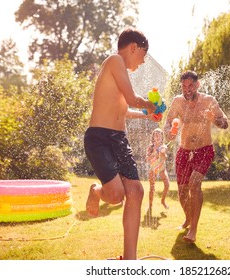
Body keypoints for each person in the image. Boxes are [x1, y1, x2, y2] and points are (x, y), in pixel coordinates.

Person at [84, 28, 156, 260]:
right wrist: (149, 105)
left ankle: (129, 259)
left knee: (135, 191)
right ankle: (96, 191)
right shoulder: (115, 61)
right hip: (100, 138)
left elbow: (124, 110)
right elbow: (134, 98)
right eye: (143, 55)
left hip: (118, 139)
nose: (143, 62)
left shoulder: (120, 74)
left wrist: (147, 114)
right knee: (115, 196)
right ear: (133, 47)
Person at [164, 70, 228, 243]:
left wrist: (213, 118)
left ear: (197, 85)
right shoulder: (177, 102)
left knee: (194, 183)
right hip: (184, 150)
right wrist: (169, 132)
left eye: (191, 85)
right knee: (182, 191)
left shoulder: (209, 101)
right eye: (184, 86)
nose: (187, 89)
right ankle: (188, 218)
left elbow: (225, 123)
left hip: (204, 149)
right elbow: (168, 122)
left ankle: (193, 230)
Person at [146, 128, 170, 211]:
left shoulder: (163, 146)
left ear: (162, 136)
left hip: (162, 168)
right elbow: (147, 159)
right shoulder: (151, 147)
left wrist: (162, 153)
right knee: (152, 188)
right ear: (153, 137)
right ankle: (150, 205)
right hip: (153, 168)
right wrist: (154, 154)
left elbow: (164, 158)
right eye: (155, 134)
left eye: (159, 134)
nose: (157, 135)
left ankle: (163, 201)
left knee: (167, 185)